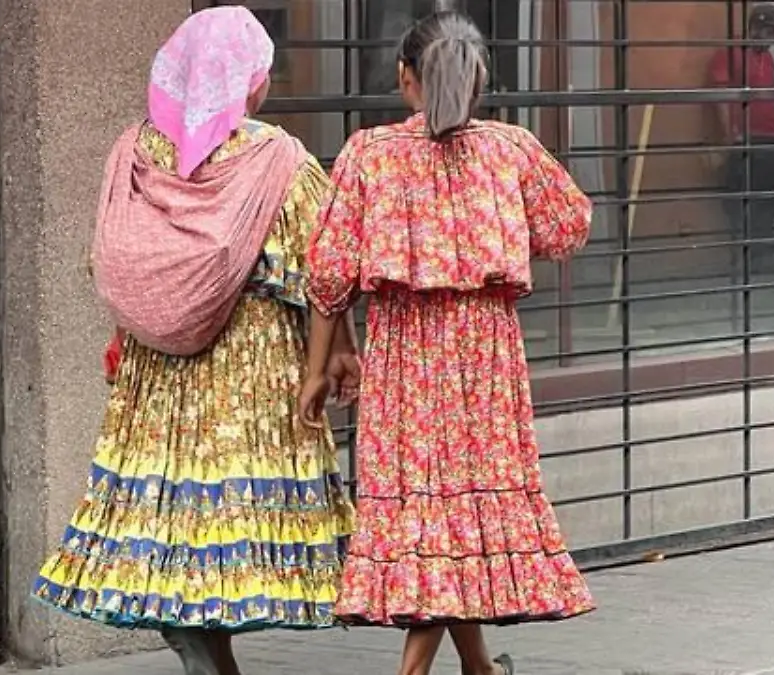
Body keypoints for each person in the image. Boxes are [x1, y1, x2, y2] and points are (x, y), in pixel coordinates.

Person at [30, 8, 359, 675]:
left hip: (156, 370)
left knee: (168, 520)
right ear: (249, 82)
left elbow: (113, 256)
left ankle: (203, 655)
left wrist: (129, 331)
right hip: (254, 369)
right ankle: (213, 658)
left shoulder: (131, 153)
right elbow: (328, 271)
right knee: (229, 518)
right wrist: (334, 356)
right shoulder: (280, 162)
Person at [298, 10, 596, 675]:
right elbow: (567, 227)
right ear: (480, 78)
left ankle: (437, 670)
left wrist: (317, 367)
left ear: (406, 76)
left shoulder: (369, 155)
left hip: (405, 357)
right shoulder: (511, 149)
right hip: (486, 357)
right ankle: (477, 669)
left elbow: (327, 274)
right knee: (459, 509)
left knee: (428, 512)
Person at [708, 3, 774, 273]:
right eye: (770, 31)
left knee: (769, 199)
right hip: (747, 139)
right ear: (756, 28)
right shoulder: (730, 54)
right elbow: (720, 94)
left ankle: (764, 256)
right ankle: (749, 258)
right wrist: (729, 133)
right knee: (744, 199)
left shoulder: (767, 58)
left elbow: (771, 92)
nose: (773, 37)